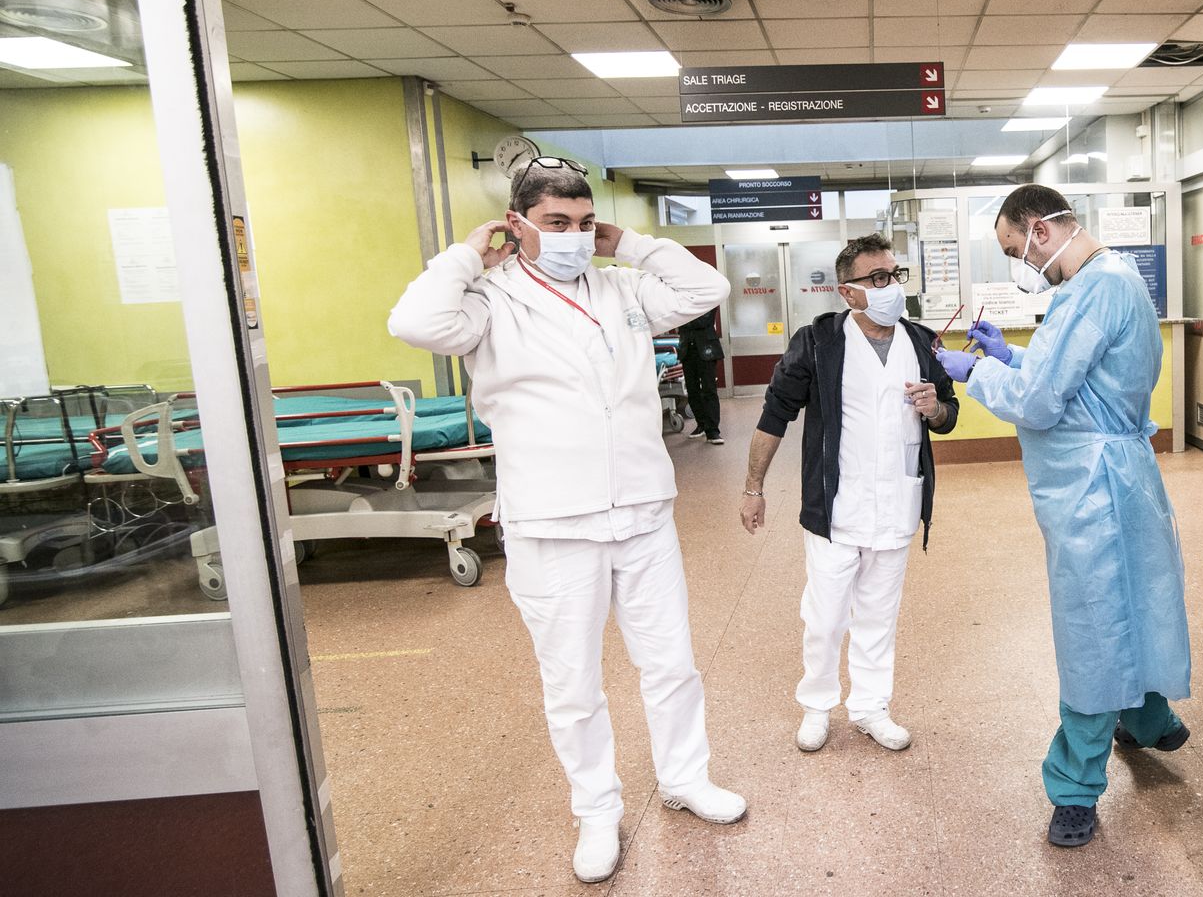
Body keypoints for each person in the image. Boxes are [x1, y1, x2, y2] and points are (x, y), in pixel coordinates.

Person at [388, 157, 745, 885]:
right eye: (556, 225)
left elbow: (708, 287)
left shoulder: (623, 286)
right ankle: (596, 810)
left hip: (643, 511)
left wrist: (631, 244)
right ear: (515, 226)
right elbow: (414, 321)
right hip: (553, 522)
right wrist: (466, 253)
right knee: (574, 682)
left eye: (583, 225)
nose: (573, 238)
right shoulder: (489, 298)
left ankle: (685, 777)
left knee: (671, 663)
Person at [932, 184, 1191, 849]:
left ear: (1041, 230)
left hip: (1092, 487)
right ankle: (1149, 715)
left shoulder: (1093, 290)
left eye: (1016, 249)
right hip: (1120, 471)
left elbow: (1044, 403)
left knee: (1094, 628)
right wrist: (1009, 354)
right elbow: (1078, 378)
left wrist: (972, 372)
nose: (1021, 263)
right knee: (1135, 601)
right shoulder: (1116, 276)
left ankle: (1075, 786)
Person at [739, 234, 960, 755]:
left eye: (895, 275)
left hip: (898, 502)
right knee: (825, 615)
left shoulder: (924, 341)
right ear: (848, 292)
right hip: (835, 507)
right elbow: (775, 416)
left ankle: (870, 707)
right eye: (877, 278)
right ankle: (817, 705)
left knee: (880, 614)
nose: (891, 287)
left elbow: (948, 416)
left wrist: (935, 410)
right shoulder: (816, 343)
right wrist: (754, 488)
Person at [677, 306, 725, 445]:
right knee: (692, 391)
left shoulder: (707, 295)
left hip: (706, 348)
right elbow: (677, 321)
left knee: (709, 389)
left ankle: (713, 430)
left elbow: (705, 320)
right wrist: (686, 318)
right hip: (687, 349)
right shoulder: (682, 299)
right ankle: (702, 424)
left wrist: (685, 318)